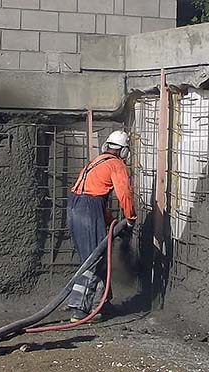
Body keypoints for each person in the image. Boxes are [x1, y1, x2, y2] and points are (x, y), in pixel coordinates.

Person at [66, 130, 138, 322]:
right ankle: (79, 309)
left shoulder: (95, 163)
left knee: (97, 256)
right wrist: (130, 218)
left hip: (74, 206)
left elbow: (91, 196)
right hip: (88, 209)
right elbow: (125, 194)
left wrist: (109, 220)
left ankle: (101, 303)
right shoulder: (116, 165)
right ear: (123, 151)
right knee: (94, 258)